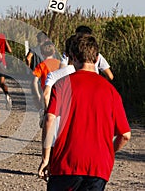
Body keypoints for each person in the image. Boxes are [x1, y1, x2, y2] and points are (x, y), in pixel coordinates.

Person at [38, 34, 131, 190]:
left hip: (65, 164)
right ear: (96, 59)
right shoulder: (111, 91)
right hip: (98, 168)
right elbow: (125, 135)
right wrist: (108, 152)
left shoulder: (62, 85)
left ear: (73, 57)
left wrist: (46, 158)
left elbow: (49, 120)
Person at [32, 41, 60, 120]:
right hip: (58, 92)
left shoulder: (41, 65)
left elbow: (35, 81)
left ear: (41, 53)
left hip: (45, 93)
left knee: (46, 113)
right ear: (54, 52)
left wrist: (38, 95)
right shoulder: (59, 64)